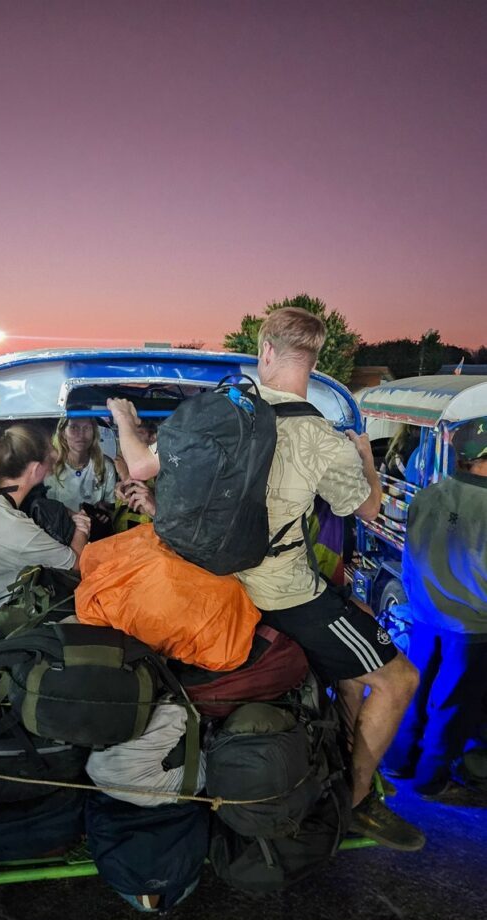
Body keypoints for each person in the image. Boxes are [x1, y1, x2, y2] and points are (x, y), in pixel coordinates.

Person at [108, 309, 423, 851]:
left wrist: (123, 420)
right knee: (401, 681)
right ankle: (355, 802)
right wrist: (366, 458)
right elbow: (368, 510)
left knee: (353, 669)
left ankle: (341, 761)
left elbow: (137, 467)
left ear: (267, 351)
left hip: (210, 588)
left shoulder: (215, 415)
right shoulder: (323, 439)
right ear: (314, 358)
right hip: (282, 594)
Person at [384, 417, 487, 798]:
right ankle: (430, 782)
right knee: (452, 705)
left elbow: (413, 552)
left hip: (426, 616)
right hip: (472, 627)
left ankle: (396, 762)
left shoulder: (429, 495)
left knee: (415, 690)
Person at [0, 422, 90, 615]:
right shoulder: (13, 526)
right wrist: (82, 529)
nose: (55, 455)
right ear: (35, 470)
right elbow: (77, 564)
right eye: (50, 452)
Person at [45, 416, 117, 511]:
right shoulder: (51, 466)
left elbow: (110, 504)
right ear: (63, 434)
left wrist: (102, 509)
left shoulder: (106, 466)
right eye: (74, 427)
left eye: (87, 428)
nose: (81, 435)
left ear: (94, 434)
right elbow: (46, 506)